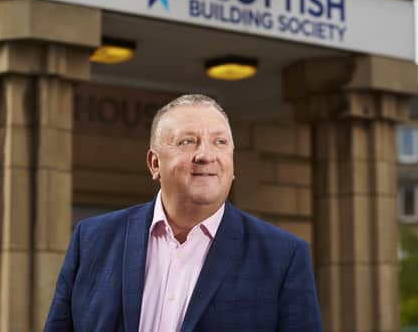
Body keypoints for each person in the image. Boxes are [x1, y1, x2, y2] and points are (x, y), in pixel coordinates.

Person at [44, 94, 323, 331]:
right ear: (154, 163)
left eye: (220, 142)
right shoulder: (92, 239)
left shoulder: (283, 256)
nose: (206, 154)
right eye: (188, 141)